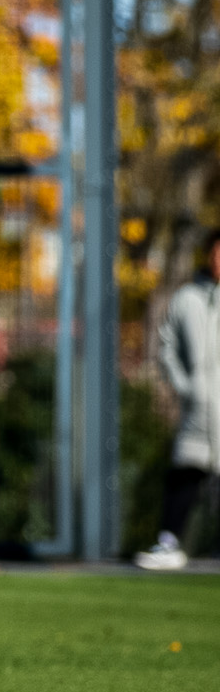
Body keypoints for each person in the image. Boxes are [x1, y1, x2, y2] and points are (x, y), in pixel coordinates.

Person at [139, 229, 220, 570]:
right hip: (199, 406)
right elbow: (166, 346)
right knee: (186, 471)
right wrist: (185, 386)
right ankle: (170, 543)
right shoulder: (187, 298)